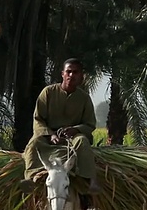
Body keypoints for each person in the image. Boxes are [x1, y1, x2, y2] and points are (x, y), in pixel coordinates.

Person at [20, 58, 101, 194]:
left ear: (81, 76)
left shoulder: (84, 98)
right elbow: (38, 119)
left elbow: (89, 124)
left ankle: (91, 181)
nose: (71, 75)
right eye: (68, 72)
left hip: (72, 138)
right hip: (48, 137)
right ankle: (31, 178)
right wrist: (50, 134)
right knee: (34, 143)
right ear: (62, 74)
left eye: (75, 72)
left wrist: (76, 129)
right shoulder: (48, 92)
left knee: (82, 141)